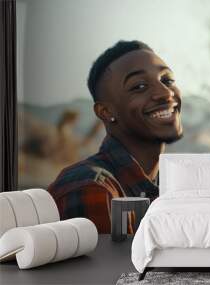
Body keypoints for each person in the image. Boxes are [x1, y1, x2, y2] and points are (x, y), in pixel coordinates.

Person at [48, 40, 183, 233]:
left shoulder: (168, 186)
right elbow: (108, 263)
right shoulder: (91, 187)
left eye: (167, 80)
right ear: (105, 111)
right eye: (140, 86)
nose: (165, 93)